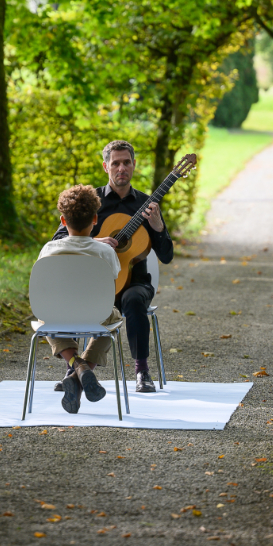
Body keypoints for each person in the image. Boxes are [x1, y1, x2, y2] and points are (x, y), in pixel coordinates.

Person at [50, 139, 173, 393]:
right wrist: (93, 242)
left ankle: (142, 373)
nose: (121, 168)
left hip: (135, 282)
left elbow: (167, 255)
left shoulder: (147, 204)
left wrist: (159, 228)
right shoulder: (89, 201)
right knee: (71, 300)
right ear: (106, 166)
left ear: (134, 165)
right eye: (115, 163)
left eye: (126, 162)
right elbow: (58, 241)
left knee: (134, 299)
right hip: (95, 283)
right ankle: (76, 371)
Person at [38, 184, 123, 414]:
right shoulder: (105, 252)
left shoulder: (49, 249)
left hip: (58, 314)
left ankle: (77, 367)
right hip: (97, 314)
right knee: (116, 320)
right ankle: (84, 370)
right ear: (95, 219)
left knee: (45, 319)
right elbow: (112, 281)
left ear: (63, 221)